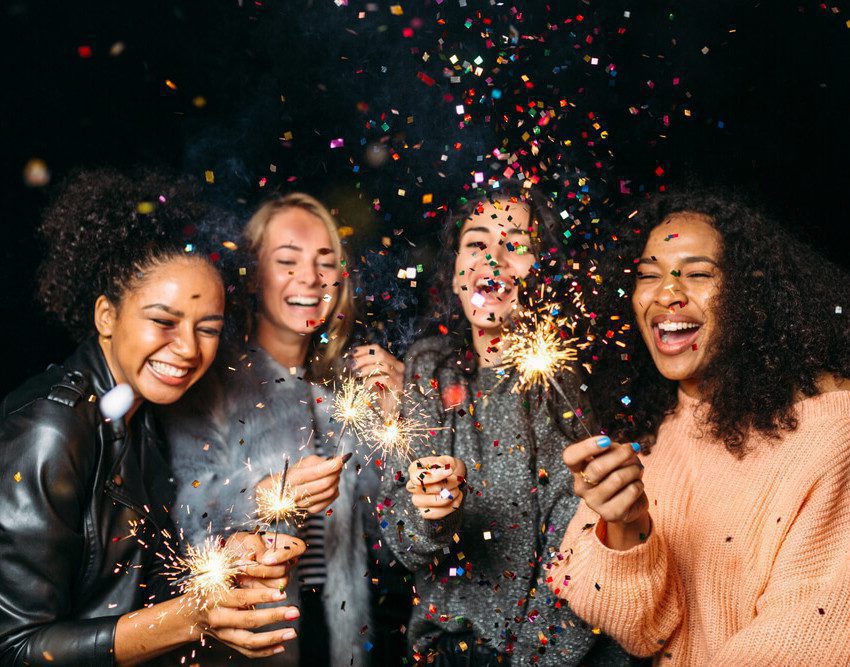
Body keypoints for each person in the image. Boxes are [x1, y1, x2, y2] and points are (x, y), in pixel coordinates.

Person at [0, 169, 306, 666]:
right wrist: (190, 617)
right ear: (106, 315)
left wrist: (228, 561)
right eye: (163, 322)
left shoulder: (145, 413)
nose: (187, 350)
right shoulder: (48, 433)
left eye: (207, 328)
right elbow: (14, 649)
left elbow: (139, 580)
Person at [548, 189, 850, 665]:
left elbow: (811, 636)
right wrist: (626, 527)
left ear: (751, 293)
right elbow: (634, 628)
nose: (667, 293)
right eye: (648, 275)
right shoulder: (645, 428)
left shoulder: (832, 432)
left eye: (697, 274)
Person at [379, 181, 633, 665]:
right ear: (455, 271)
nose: (493, 259)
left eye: (516, 245)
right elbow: (400, 539)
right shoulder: (426, 367)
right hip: (447, 651)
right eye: (476, 243)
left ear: (545, 270)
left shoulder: (577, 381)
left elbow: (584, 549)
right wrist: (432, 513)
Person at [161, 192, 405, 666]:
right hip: (250, 639)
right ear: (252, 275)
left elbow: (391, 543)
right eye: (287, 260)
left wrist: (393, 421)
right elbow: (184, 517)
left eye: (325, 262)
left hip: (339, 640)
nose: (310, 278)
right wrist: (266, 495)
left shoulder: (348, 388)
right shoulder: (210, 378)